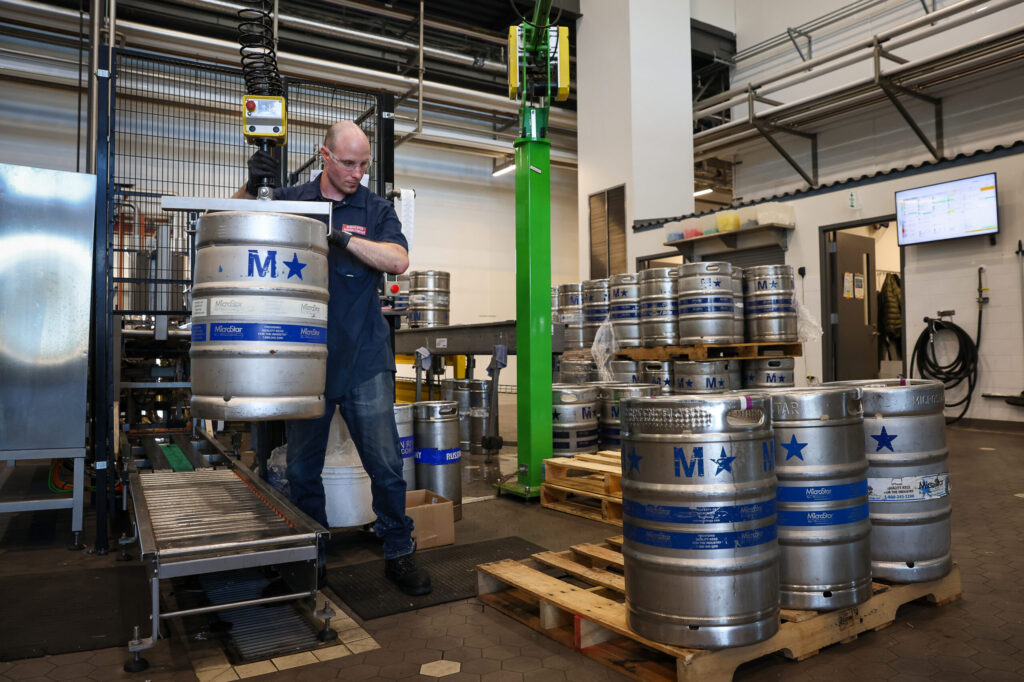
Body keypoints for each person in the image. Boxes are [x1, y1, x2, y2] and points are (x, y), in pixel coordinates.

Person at [234, 121, 431, 596]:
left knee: (385, 465)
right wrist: (252, 182)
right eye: (347, 163)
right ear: (325, 155)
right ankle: (312, 555)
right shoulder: (295, 197)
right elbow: (236, 218)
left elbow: (398, 260)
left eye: (363, 164)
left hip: (364, 358)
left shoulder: (374, 207)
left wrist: (340, 237)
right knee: (303, 468)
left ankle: (399, 551)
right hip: (308, 360)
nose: (356, 173)